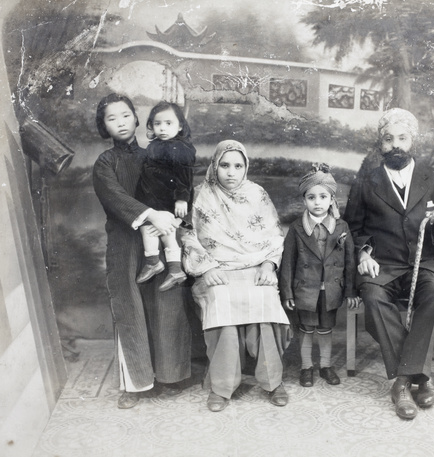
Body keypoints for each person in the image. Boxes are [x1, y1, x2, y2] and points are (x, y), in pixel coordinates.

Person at [344, 108, 434, 420]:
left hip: (424, 263)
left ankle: (402, 381)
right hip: (383, 264)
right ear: (380, 144)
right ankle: (419, 376)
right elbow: (351, 228)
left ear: (413, 141)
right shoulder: (366, 182)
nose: (395, 144)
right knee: (372, 294)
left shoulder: (433, 179)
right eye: (388, 139)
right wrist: (363, 254)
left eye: (402, 138)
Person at [92, 93, 191, 409]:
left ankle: (170, 375)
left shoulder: (155, 154)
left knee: (166, 302)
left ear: (137, 119)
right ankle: (137, 383)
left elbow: (178, 182)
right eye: (112, 118)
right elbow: (115, 197)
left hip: (160, 239)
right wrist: (151, 215)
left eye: (125, 115)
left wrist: (177, 206)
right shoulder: (105, 163)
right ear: (104, 126)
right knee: (129, 307)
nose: (120, 123)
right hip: (125, 242)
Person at [180, 139, 290, 412]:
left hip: (255, 266)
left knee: (265, 300)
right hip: (216, 268)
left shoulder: (258, 194)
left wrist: (268, 265)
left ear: (245, 168)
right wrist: (208, 267)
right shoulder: (200, 195)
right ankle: (222, 385)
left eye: (238, 166)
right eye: (225, 165)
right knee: (221, 302)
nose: (231, 172)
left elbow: (275, 234)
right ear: (215, 166)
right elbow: (187, 235)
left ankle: (273, 381)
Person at [279, 164, 360, 388]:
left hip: (331, 289)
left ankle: (325, 366)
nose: (317, 202)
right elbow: (287, 262)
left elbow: (350, 261)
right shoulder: (296, 228)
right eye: (311, 197)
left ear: (332, 199)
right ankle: (306, 367)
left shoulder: (342, 226)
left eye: (323, 196)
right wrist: (286, 292)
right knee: (305, 329)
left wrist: (351, 290)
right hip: (305, 290)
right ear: (304, 200)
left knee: (325, 329)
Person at [135, 101, 197, 292]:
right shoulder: (156, 145)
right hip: (152, 196)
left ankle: (170, 267)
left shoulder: (180, 148)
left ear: (180, 126)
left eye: (168, 123)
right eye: (157, 124)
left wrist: (181, 198)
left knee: (166, 231)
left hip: (169, 197)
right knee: (152, 229)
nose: (162, 128)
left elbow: (185, 176)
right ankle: (160, 264)